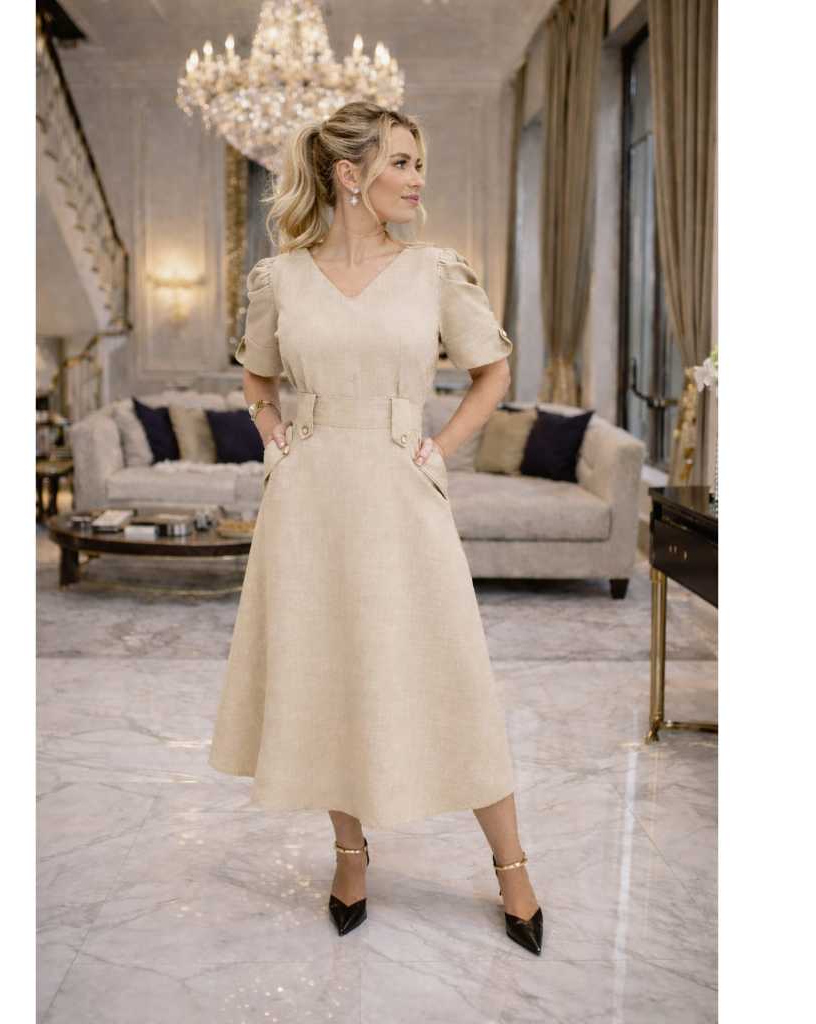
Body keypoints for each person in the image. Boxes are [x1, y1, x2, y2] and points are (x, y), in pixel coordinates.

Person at [209, 101, 542, 955]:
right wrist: (277, 439)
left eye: (419, 162)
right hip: (309, 500)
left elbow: (493, 372)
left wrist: (438, 449)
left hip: (400, 489)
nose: (417, 178)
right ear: (349, 175)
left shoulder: (434, 271)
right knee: (331, 674)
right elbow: (257, 382)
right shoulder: (280, 279)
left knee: (453, 674)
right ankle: (350, 857)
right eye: (401, 161)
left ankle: (512, 868)